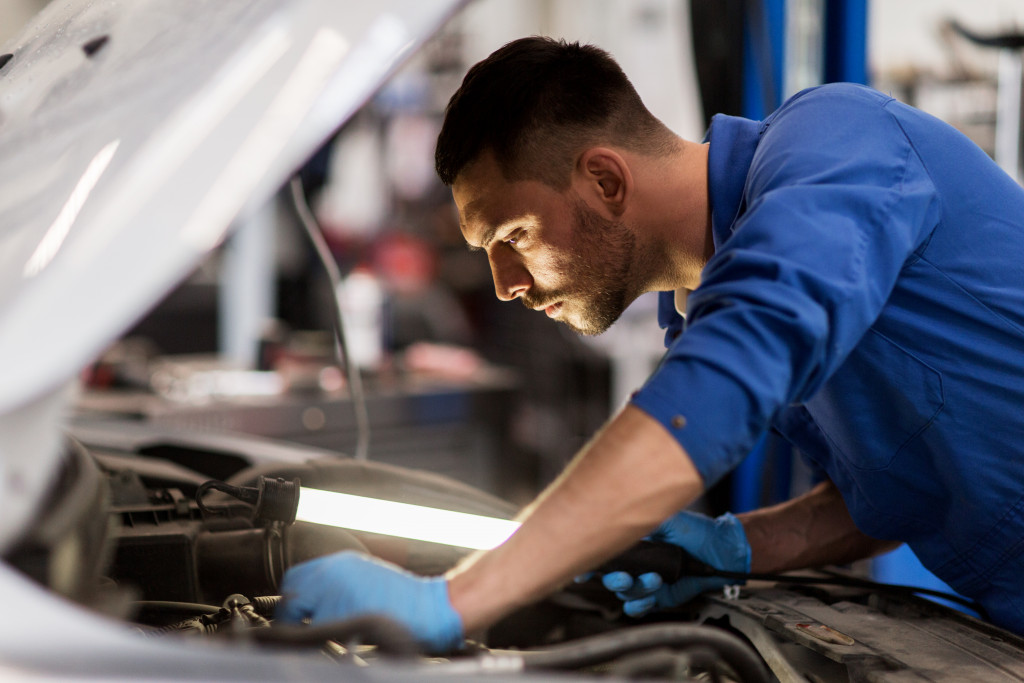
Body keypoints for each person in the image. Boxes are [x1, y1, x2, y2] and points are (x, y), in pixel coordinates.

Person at [276, 36, 1024, 648]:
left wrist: (456, 598)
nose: (504, 283)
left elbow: (726, 376)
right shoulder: (701, 308)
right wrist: (736, 546)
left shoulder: (838, 145)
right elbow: (899, 488)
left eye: (514, 236)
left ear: (605, 180)